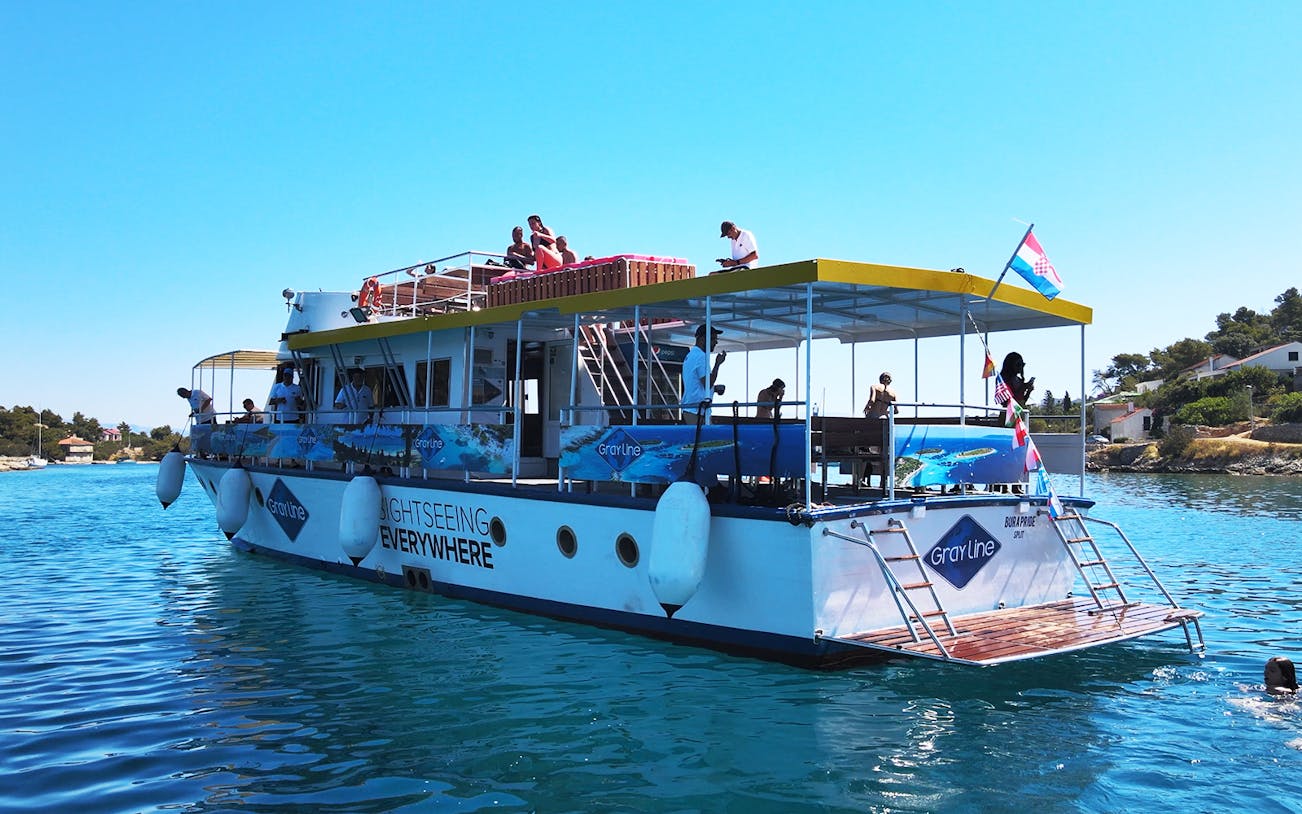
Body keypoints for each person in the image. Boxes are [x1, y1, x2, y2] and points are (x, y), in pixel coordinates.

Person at [681, 325, 727, 424]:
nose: (716, 342)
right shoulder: (700, 356)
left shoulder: (691, 355)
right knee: (703, 439)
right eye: (713, 339)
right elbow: (708, 383)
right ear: (702, 339)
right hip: (697, 411)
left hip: (693, 410)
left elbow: (696, 384)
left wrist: (714, 389)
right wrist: (717, 364)